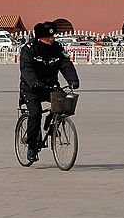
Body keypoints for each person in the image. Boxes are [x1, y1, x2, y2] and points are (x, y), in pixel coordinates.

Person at [19, 21, 80, 163]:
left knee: (63, 103)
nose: (51, 40)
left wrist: (73, 80)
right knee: (35, 113)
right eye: (48, 38)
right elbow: (26, 69)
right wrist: (34, 83)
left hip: (51, 85)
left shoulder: (57, 48)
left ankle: (51, 121)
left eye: (52, 37)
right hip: (31, 88)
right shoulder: (29, 49)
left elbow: (66, 65)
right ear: (40, 38)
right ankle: (32, 147)